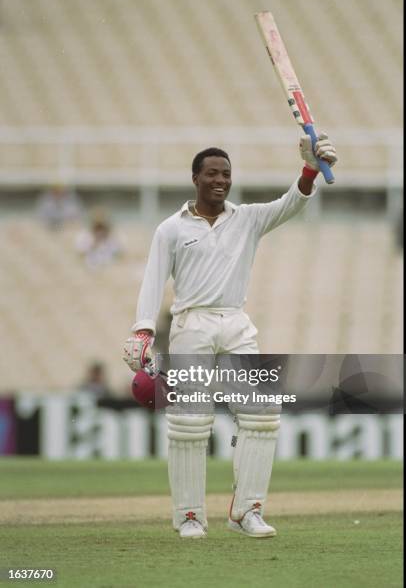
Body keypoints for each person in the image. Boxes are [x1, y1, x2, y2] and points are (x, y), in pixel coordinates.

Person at [123, 134, 337, 539]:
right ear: (195, 178)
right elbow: (153, 280)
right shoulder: (170, 228)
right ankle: (189, 517)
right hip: (191, 325)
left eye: (226, 174)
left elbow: (290, 203)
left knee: (261, 415)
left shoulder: (247, 219)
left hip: (236, 323)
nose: (220, 180)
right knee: (189, 423)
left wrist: (309, 168)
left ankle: (248, 511)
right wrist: (143, 329)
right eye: (212, 174)